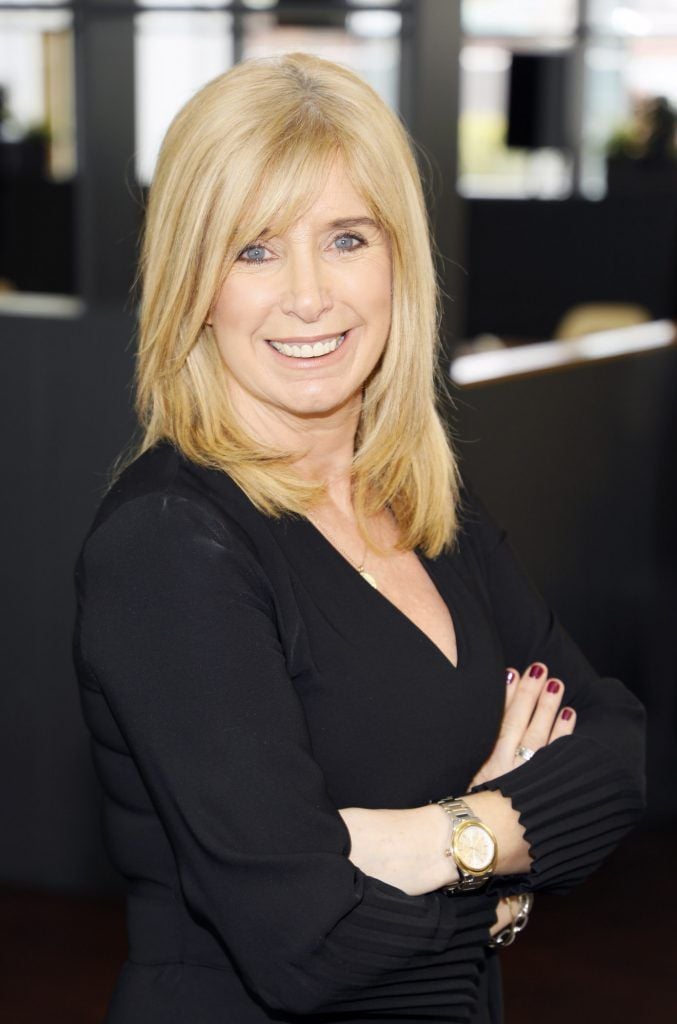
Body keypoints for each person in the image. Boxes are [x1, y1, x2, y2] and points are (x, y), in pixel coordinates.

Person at [73, 53, 646, 1024]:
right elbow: (312, 947)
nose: (309, 294)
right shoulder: (170, 545)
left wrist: (426, 841)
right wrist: (504, 874)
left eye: (345, 238)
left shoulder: (420, 502)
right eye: (253, 249)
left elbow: (618, 750)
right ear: (191, 279)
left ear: (399, 260)